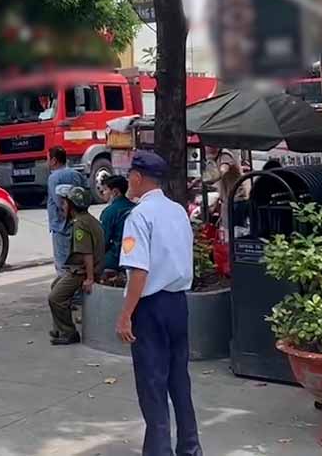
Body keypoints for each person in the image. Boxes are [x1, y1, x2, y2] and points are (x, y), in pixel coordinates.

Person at [116, 151, 201, 456]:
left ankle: (159, 450)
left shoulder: (138, 216)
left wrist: (126, 315)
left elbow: (139, 270)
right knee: (180, 380)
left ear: (138, 177)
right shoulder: (178, 211)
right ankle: (190, 448)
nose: (128, 180)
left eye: (130, 176)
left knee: (153, 384)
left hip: (150, 308)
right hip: (178, 303)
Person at [47, 185, 104, 345]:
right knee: (55, 285)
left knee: (55, 297)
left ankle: (68, 332)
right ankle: (59, 328)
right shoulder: (88, 219)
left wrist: (90, 278)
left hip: (83, 271)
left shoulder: (80, 224)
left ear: (72, 205)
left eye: (65, 204)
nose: (63, 208)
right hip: (81, 269)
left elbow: (87, 254)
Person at [46, 146, 86, 272]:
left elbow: (59, 202)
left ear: (53, 161)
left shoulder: (53, 178)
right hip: (78, 224)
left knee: (62, 264)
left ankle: (65, 289)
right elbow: (85, 195)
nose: (47, 162)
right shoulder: (76, 174)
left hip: (60, 226)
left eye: (47, 159)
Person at [99, 175, 136, 272]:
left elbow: (103, 241)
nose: (103, 193)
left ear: (115, 192)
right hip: (137, 254)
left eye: (105, 190)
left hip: (117, 257)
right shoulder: (135, 207)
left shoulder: (109, 212)